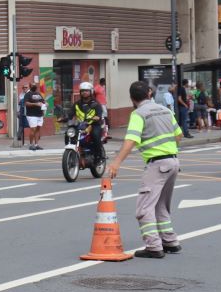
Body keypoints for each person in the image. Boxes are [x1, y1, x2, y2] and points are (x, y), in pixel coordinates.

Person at [106, 79, 182, 259]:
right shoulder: (165, 109)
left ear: (132, 99)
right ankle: (170, 242)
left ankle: (154, 246)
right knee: (161, 205)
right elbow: (178, 136)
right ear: (149, 93)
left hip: (157, 164)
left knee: (143, 208)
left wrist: (116, 163)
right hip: (172, 162)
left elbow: (130, 141)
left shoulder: (139, 114)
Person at [70, 81, 106, 162]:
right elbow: (71, 113)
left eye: (86, 91)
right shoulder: (77, 104)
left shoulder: (96, 104)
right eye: (82, 91)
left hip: (94, 125)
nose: (84, 92)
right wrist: (64, 118)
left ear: (91, 91)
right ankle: (72, 152)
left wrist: (97, 117)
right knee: (69, 134)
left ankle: (98, 156)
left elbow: (99, 114)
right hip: (81, 125)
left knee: (95, 135)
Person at [23, 80, 46, 150]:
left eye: (35, 85)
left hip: (39, 114)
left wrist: (46, 103)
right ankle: (31, 144)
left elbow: (43, 101)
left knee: (38, 129)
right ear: (30, 86)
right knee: (33, 129)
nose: (34, 86)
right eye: (33, 85)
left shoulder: (38, 94)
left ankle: (36, 144)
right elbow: (26, 103)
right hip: (31, 115)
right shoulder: (28, 94)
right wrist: (35, 104)